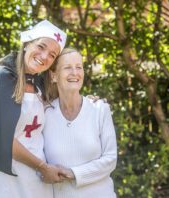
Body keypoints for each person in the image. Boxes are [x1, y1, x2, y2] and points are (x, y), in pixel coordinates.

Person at [0, 20, 68, 198]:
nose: (44, 56)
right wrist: (42, 167)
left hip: (36, 180)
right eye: (41, 46)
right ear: (27, 43)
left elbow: (66, 109)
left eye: (52, 55)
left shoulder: (41, 86)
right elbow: (1, 138)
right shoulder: (0, 78)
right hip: (2, 176)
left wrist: (89, 103)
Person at [43, 48, 118, 198]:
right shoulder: (44, 113)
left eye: (79, 67)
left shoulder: (99, 109)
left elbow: (110, 159)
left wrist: (74, 174)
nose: (75, 73)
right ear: (54, 76)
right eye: (67, 67)